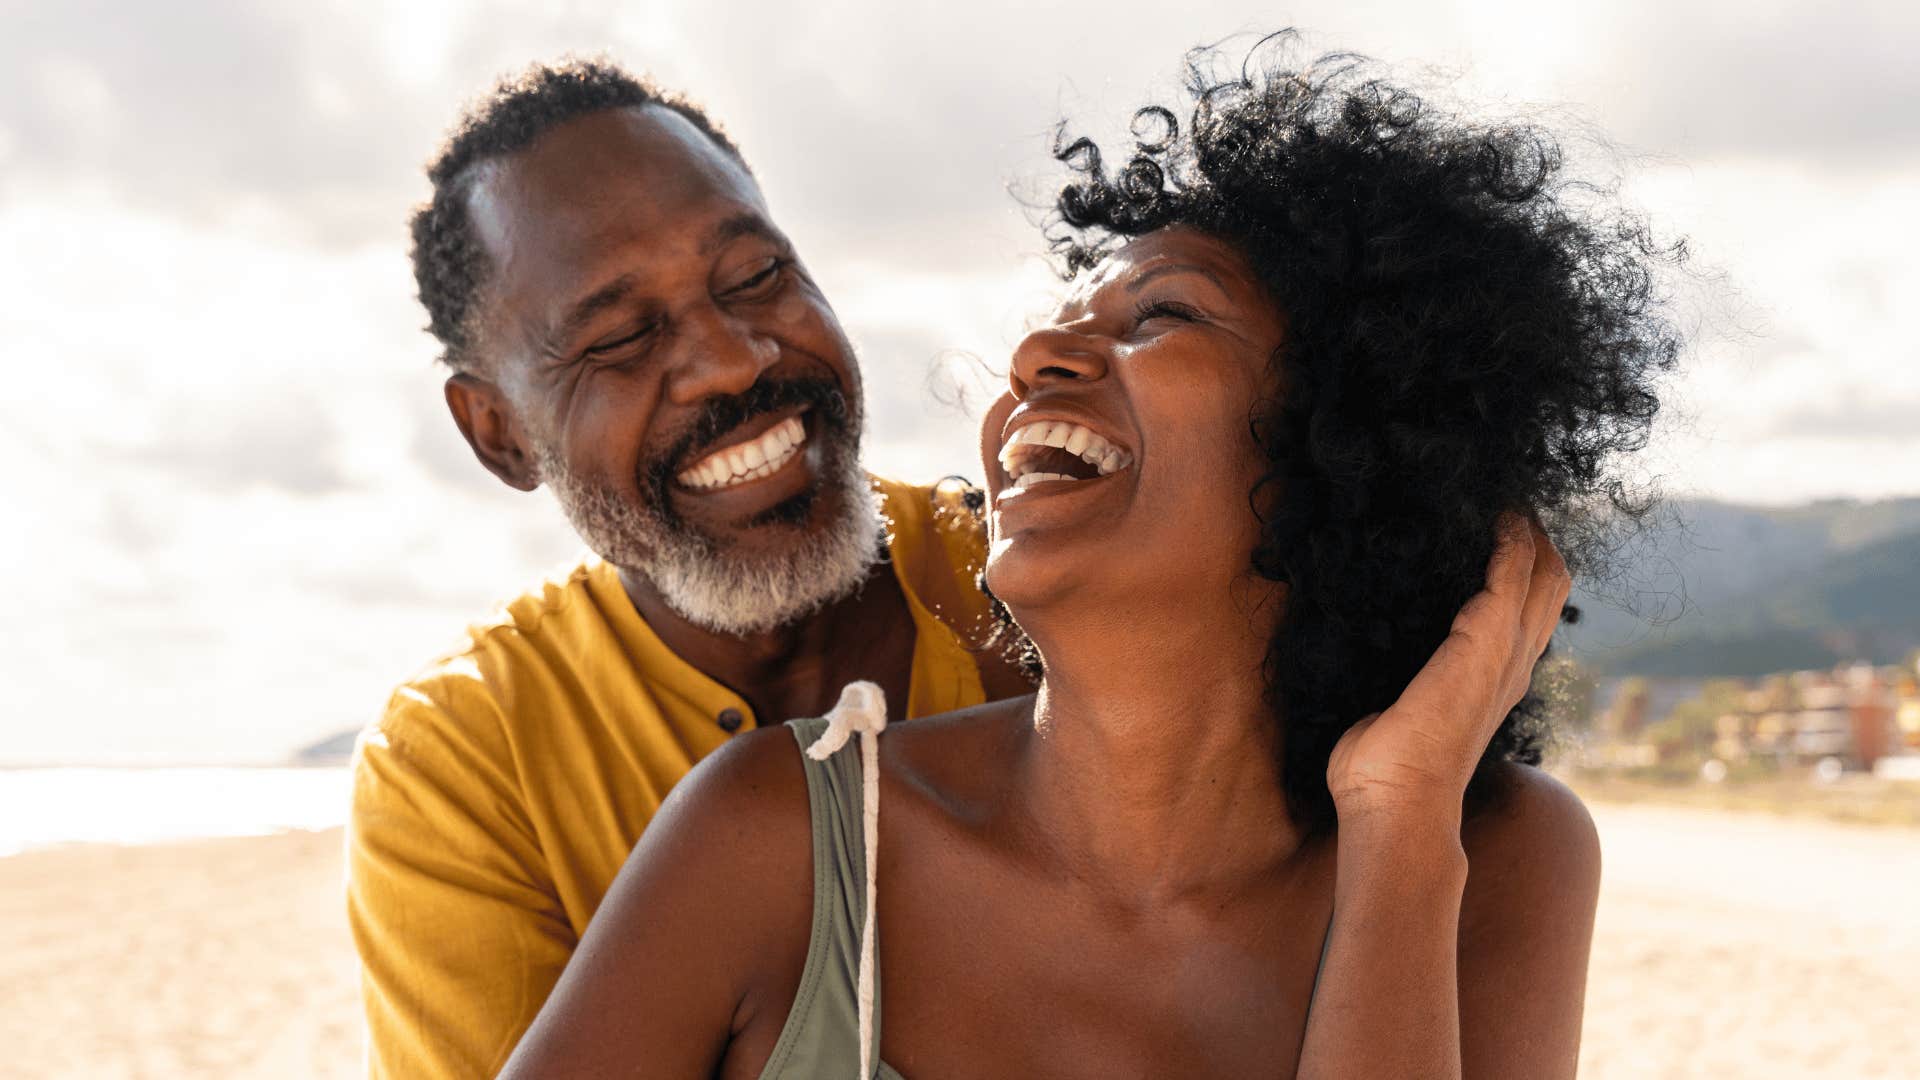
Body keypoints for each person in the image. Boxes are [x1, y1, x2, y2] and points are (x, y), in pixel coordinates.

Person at [500, 36, 1680, 1079]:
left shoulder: (1499, 853)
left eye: (1159, 316)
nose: (1037, 355)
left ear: (1355, 440)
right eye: (1065, 312)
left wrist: (1402, 822)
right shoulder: (774, 838)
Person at [346, 60, 1029, 1079]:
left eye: (757, 277)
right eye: (620, 338)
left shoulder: (1033, 589)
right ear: (498, 435)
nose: (732, 360)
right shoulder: (469, 762)